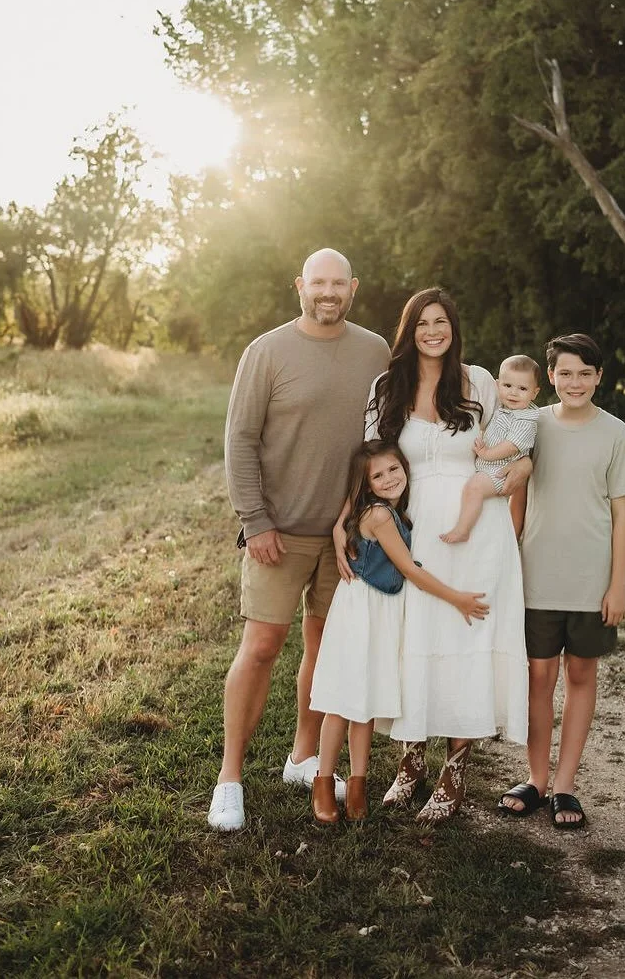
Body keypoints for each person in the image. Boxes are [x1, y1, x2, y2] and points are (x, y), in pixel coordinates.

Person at [207, 249, 390, 833]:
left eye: (339, 282)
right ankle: (229, 779)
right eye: (319, 282)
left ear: (353, 287)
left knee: (324, 651)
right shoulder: (266, 352)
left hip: (346, 536)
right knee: (261, 647)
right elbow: (240, 440)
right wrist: (255, 520)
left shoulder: (375, 351)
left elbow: (381, 440)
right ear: (300, 286)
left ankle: (302, 756)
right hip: (278, 534)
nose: (328, 291)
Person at [340, 287, 531, 824]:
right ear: (409, 328)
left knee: (467, 638)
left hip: (478, 529)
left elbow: (516, 447)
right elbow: (368, 465)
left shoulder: (479, 382)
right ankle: (410, 762)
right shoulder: (387, 386)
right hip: (412, 525)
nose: (432, 331)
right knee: (413, 638)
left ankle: (455, 772)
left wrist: (522, 473)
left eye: (441, 320)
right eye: (423, 322)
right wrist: (344, 522)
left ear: (454, 327)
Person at [499, 333, 625, 830]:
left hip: (589, 581)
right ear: (549, 377)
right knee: (539, 677)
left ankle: (565, 785)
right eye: (565, 373)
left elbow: (621, 517)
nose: (575, 382)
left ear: (599, 377)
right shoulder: (532, 425)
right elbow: (515, 495)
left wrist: (617, 585)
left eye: (585, 373)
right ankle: (536, 780)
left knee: (581, 677)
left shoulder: (615, 433)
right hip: (538, 578)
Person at [308, 440, 490, 824]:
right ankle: (323, 783)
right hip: (363, 612)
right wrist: (457, 598)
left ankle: (357, 784)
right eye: (378, 475)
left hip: (379, 610)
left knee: (366, 703)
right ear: (366, 484)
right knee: (343, 702)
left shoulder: (388, 511)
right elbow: (410, 570)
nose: (389, 478)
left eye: (394, 469)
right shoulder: (379, 516)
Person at [439, 354, 542, 546]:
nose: (513, 393)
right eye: (508, 386)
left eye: (522, 388)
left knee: (474, 488)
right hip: (488, 467)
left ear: (534, 393)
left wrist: (486, 453)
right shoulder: (502, 409)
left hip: (500, 470)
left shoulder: (525, 419)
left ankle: (463, 530)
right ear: (497, 384)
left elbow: (511, 446)